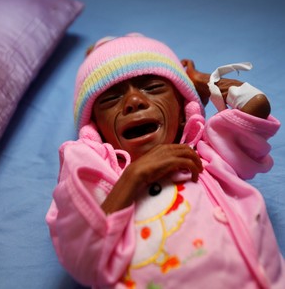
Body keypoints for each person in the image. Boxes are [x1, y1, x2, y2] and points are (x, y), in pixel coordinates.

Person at [46, 33, 285, 289]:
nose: (134, 102)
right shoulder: (96, 176)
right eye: (111, 99)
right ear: (96, 130)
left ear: (183, 112)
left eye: (152, 87)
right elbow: (80, 258)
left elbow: (255, 105)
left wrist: (202, 83)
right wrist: (134, 176)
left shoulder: (207, 153)